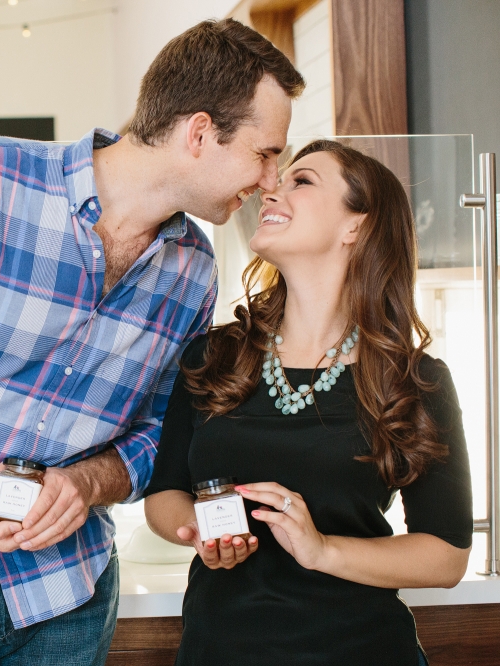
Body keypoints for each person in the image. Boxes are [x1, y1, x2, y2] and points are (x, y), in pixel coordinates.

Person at [0, 19, 303, 666]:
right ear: (198, 133)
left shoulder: (193, 271)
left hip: (67, 597)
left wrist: (84, 482)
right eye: (266, 153)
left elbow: (159, 433)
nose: (271, 179)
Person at [143, 140, 474, 666]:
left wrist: (322, 550)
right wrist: (200, 530)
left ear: (356, 227)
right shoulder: (212, 355)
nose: (271, 188)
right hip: (218, 652)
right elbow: (164, 496)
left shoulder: (415, 382)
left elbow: (447, 556)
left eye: (303, 180)